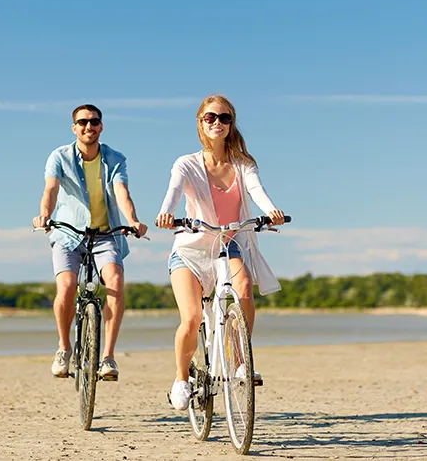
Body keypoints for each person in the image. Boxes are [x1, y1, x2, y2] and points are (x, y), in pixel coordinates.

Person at [156, 94, 285, 410]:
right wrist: (165, 212)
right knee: (192, 318)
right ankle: (181, 378)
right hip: (191, 249)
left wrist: (271, 211)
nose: (218, 123)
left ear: (232, 123)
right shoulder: (186, 163)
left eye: (225, 118)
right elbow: (173, 190)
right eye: (211, 117)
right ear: (200, 122)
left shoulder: (243, 164)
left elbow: (257, 191)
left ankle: (242, 362)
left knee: (243, 290)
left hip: (229, 244)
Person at [32, 104, 147, 379]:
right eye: (82, 122)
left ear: (101, 127)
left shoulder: (115, 158)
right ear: (74, 128)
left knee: (116, 283)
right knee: (68, 286)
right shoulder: (59, 156)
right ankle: (63, 347)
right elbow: (51, 188)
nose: (88, 127)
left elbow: (121, 191)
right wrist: (44, 216)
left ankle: (108, 357)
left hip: (106, 233)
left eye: (94, 122)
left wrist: (132, 220)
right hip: (68, 233)